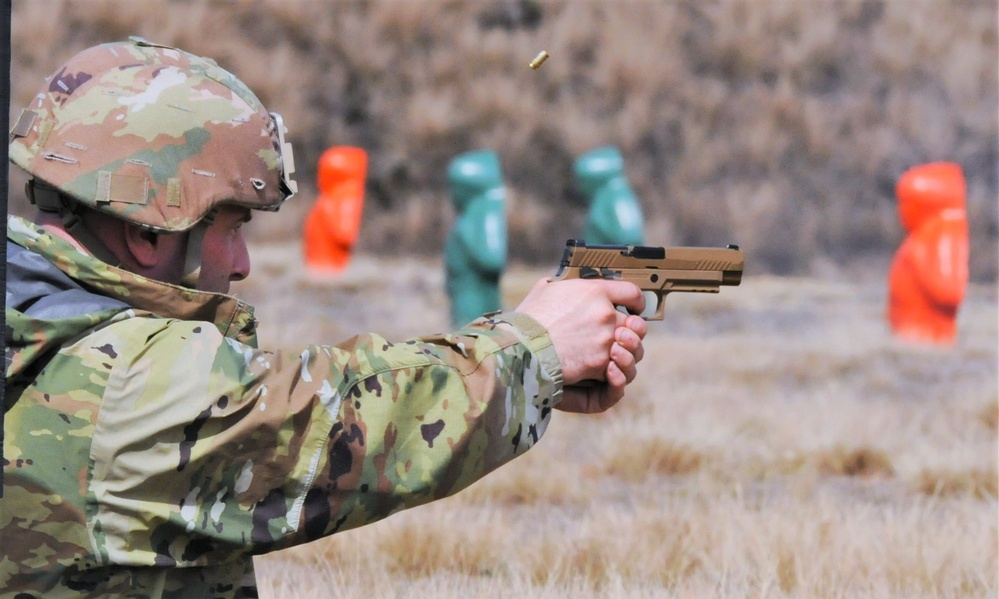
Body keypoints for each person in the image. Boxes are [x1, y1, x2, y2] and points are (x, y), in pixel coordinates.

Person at [2, 38, 647, 598]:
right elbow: (345, 424)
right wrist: (533, 350)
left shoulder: (31, 321)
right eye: (233, 225)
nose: (245, 261)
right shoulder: (122, 384)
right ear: (148, 228)